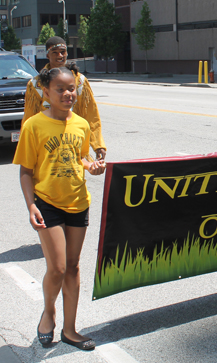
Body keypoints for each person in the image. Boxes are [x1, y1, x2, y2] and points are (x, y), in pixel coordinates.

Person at [13, 64, 106, 350]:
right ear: (46, 92)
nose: (68, 94)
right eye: (60, 89)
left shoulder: (80, 123)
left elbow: (79, 157)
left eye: (71, 89)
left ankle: (70, 330)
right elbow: (26, 171)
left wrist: (92, 166)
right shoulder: (33, 125)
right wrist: (31, 205)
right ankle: (48, 313)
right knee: (57, 268)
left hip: (78, 202)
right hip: (48, 203)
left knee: (74, 267)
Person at [22, 36, 107, 160]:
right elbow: (29, 118)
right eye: (55, 53)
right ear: (47, 55)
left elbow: (91, 114)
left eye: (63, 52)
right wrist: (26, 147)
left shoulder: (80, 81)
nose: (60, 56)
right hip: (46, 142)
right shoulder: (36, 84)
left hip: (73, 140)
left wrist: (98, 144)